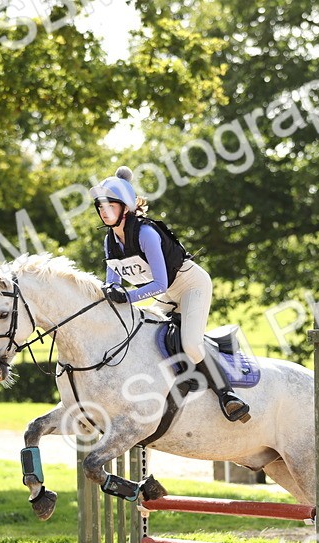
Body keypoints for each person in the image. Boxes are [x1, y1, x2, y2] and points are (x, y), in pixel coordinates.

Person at [90, 166, 250, 423]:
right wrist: (111, 293)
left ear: (125, 208)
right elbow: (114, 282)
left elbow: (160, 284)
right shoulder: (110, 241)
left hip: (190, 286)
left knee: (190, 344)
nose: (104, 211)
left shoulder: (146, 233)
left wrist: (128, 298)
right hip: (166, 295)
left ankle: (228, 395)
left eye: (110, 205)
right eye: (100, 206)